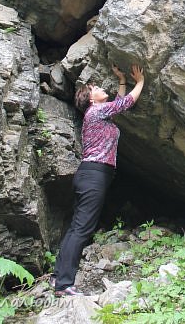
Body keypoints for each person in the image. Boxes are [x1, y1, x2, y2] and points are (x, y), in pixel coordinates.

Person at [52, 63, 145, 296]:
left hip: (90, 174)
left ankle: (59, 278)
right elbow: (125, 104)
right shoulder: (96, 112)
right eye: (96, 88)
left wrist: (122, 81)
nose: (101, 88)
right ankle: (64, 284)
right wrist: (140, 82)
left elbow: (116, 105)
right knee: (82, 229)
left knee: (76, 228)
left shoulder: (100, 113)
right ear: (91, 99)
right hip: (94, 174)